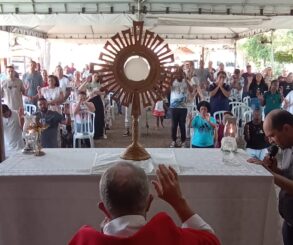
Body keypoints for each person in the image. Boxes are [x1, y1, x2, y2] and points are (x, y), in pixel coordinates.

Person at [69, 162, 220, 245]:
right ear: (149, 202)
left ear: (104, 209)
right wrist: (178, 202)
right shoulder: (167, 235)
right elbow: (211, 241)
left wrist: (104, 235)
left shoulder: (84, 240)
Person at [261, 109, 293, 245]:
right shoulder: (287, 146)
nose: (270, 141)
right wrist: (276, 170)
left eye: (272, 135)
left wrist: (270, 174)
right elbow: (289, 177)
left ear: (286, 128)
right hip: (289, 220)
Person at [169, 67, 193, 148]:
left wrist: (186, 79)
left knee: (182, 125)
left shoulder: (185, 82)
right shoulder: (173, 82)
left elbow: (191, 90)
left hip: (183, 107)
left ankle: (183, 141)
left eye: (180, 73)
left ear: (183, 74)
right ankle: (173, 141)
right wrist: (172, 76)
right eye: (177, 73)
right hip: (174, 107)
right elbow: (167, 88)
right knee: (174, 125)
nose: (179, 75)